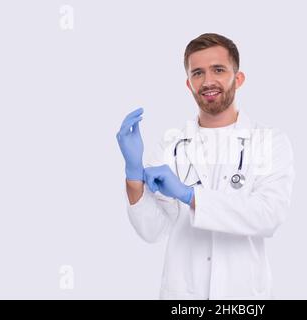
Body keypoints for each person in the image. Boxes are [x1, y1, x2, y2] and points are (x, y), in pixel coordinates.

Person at [116, 33, 295, 299]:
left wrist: (190, 196)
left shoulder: (270, 142)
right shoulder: (170, 146)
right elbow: (152, 231)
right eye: (198, 73)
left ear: (239, 78)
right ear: (189, 84)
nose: (208, 81)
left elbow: (268, 216)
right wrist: (133, 174)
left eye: (218, 70)